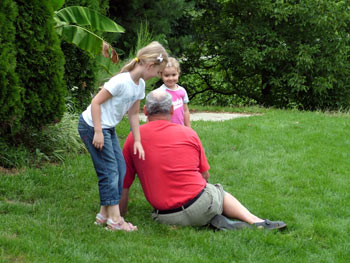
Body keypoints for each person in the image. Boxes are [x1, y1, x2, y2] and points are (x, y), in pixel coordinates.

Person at [119, 89, 287, 231]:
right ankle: (255, 221)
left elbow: (124, 184)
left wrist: (121, 214)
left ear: (146, 111)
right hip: (201, 204)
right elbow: (205, 175)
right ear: (171, 110)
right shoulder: (188, 134)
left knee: (204, 195)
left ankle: (213, 220)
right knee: (217, 191)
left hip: (166, 217)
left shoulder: (133, 138)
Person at [78, 42, 168, 232]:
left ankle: (104, 214)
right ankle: (115, 220)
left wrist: (137, 140)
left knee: (120, 168)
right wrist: (98, 132)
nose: (157, 77)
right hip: (92, 126)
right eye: (158, 72)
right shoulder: (120, 81)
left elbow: (134, 114)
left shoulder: (139, 85)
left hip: (106, 127)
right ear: (150, 66)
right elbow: (95, 103)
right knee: (109, 171)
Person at [159, 57, 191, 127]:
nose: (171, 78)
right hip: (166, 128)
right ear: (161, 75)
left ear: (178, 74)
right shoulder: (160, 92)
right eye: (166, 75)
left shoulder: (182, 91)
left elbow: (185, 111)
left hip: (180, 127)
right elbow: (154, 114)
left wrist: (188, 127)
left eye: (174, 75)